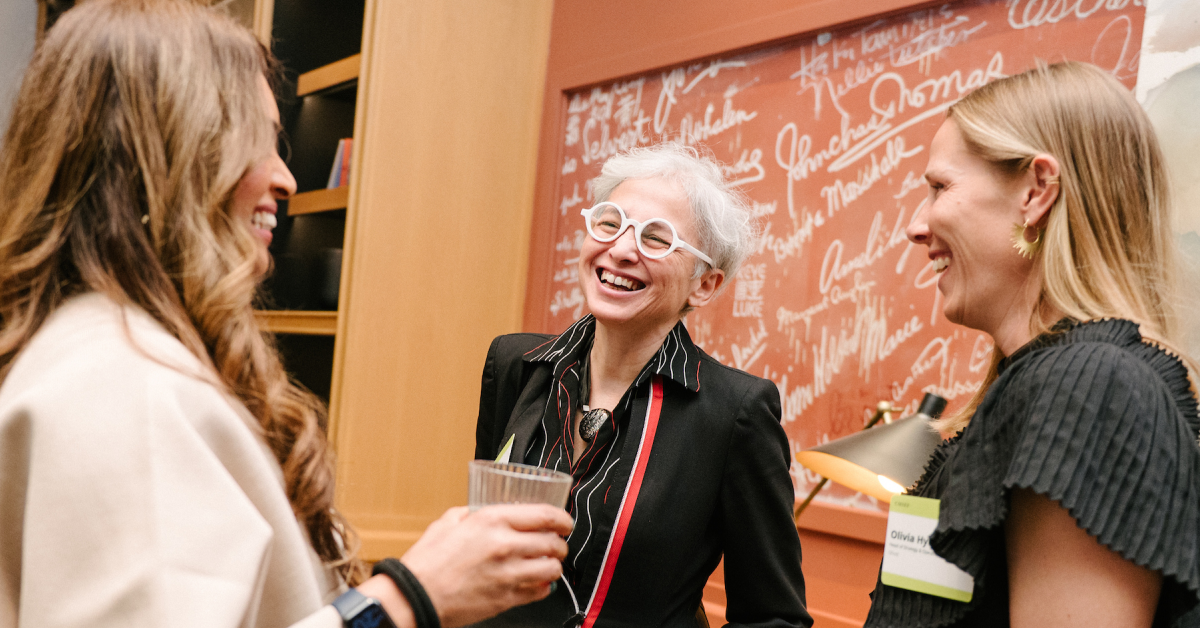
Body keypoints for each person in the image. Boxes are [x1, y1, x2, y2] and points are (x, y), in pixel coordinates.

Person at [0, 2, 573, 627]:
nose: (287, 179)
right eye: (258, 142)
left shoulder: (94, 351)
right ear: (167, 154)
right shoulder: (124, 384)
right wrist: (411, 598)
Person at [865, 61, 1200, 627]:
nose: (917, 227)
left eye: (940, 187)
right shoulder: (1050, 380)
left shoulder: (1091, 387)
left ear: (1037, 192)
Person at [473, 143, 812, 627]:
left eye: (658, 238)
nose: (622, 249)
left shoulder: (734, 413)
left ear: (705, 285)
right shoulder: (515, 364)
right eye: (611, 223)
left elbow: (772, 617)